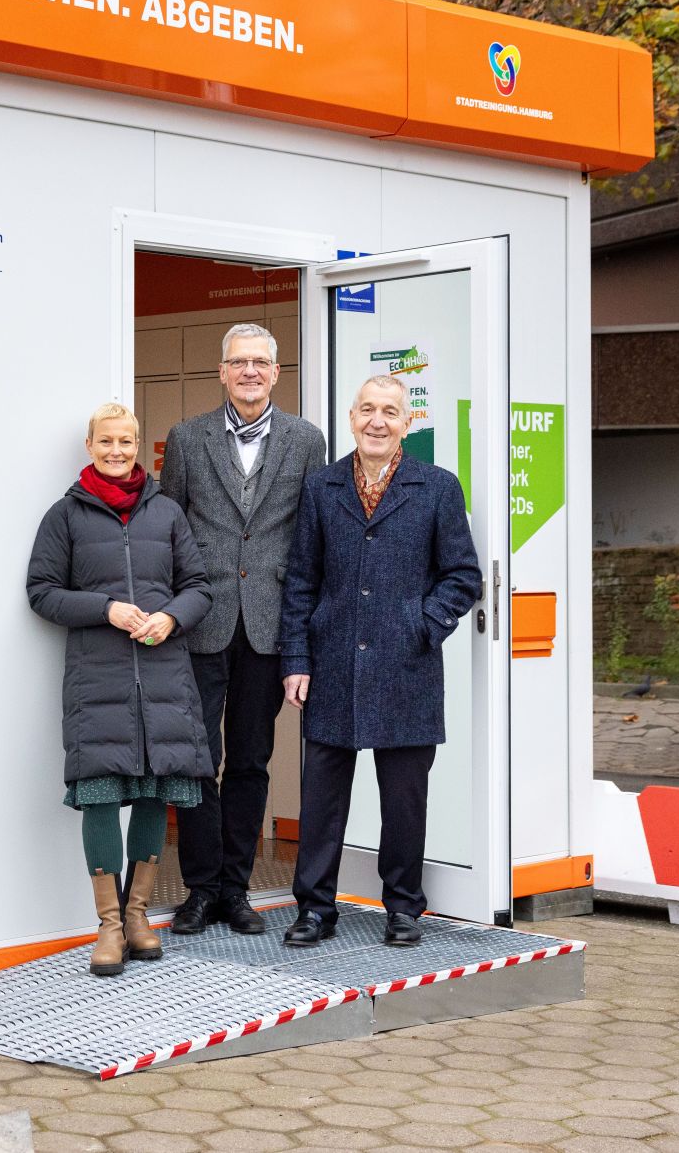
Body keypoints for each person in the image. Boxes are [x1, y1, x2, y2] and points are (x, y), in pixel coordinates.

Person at [276, 374, 482, 948]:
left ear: (407, 423)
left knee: (404, 800)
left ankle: (403, 907)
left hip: (406, 668)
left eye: (390, 411)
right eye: (368, 409)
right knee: (321, 800)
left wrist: (423, 624)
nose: (378, 421)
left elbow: (463, 575)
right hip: (332, 664)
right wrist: (296, 659)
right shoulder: (321, 487)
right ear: (351, 417)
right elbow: (300, 581)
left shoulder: (437, 487)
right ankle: (315, 908)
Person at [27, 402, 214, 976]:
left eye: (127, 442)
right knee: (102, 795)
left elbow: (199, 586)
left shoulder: (167, 513)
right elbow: (42, 591)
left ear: (140, 445)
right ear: (90, 446)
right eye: (106, 441)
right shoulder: (65, 516)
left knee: (157, 793)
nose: (117, 451)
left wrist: (174, 618)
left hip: (164, 679)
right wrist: (105, 608)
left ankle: (138, 916)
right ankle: (108, 927)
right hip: (98, 681)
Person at [159, 323, 326, 937]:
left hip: (268, 626)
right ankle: (200, 890)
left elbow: (310, 539)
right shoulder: (187, 438)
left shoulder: (308, 441)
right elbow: (169, 529)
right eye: (239, 362)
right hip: (201, 623)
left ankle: (237, 890)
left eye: (261, 362)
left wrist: (305, 634)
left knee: (252, 761)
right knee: (200, 758)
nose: (250, 372)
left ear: (276, 374)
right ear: (222, 372)